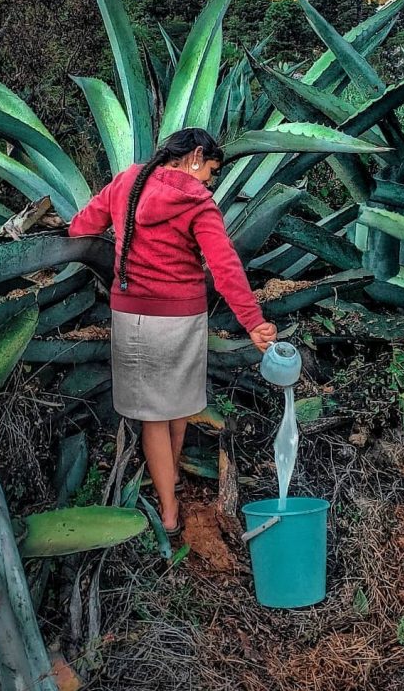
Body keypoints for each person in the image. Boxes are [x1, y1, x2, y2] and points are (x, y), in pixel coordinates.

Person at [67, 127, 277, 539]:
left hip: (134, 318)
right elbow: (225, 266)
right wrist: (253, 322)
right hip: (182, 319)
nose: (209, 183)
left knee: (154, 417)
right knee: (176, 406)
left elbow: (80, 229)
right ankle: (172, 488)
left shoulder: (128, 180)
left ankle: (167, 508)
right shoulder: (198, 203)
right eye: (210, 173)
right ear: (195, 156)